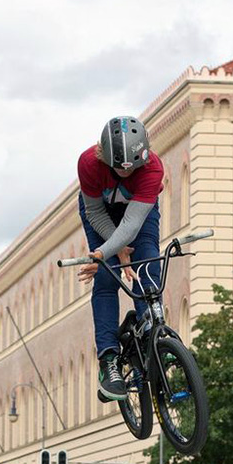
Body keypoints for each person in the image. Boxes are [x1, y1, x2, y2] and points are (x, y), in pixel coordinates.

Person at [76, 117, 164, 401]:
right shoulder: (89, 162)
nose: (126, 174)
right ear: (103, 156)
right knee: (105, 275)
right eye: (118, 169)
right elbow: (96, 214)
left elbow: (134, 225)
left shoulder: (152, 169)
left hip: (139, 214)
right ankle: (109, 359)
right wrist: (111, 252)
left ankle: (152, 333)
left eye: (132, 168)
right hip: (100, 216)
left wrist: (110, 249)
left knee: (147, 265)